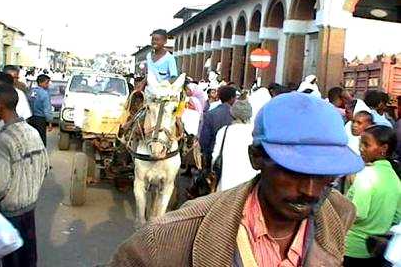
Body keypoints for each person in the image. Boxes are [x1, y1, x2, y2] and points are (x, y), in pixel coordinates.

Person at [109, 92, 364, 266]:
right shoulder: (170, 236)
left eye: (323, 175)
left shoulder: (337, 215)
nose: (310, 191)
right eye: (293, 171)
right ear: (256, 158)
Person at [0, 83, 49, 267]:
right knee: (28, 257)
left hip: (11, 212)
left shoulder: (4, 140)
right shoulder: (32, 132)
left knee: (13, 260)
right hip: (29, 206)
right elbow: (44, 167)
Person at [344, 125, 401, 266]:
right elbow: (397, 216)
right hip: (377, 251)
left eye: (366, 144)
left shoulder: (366, 175)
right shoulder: (395, 178)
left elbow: (358, 213)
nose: (361, 148)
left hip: (352, 249)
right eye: (360, 144)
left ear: (384, 149)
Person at [212, 100, 257, 191]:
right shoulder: (255, 132)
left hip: (226, 184)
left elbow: (215, 157)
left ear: (232, 114)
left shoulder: (224, 131)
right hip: (249, 185)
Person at [199, 85, 237, 169]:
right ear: (232, 98)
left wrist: (204, 153)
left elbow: (204, 139)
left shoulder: (210, 114)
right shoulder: (236, 115)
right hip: (231, 155)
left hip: (212, 154)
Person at [28, 74, 53, 146]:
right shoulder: (45, 94)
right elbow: (47, 110)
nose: (48, 85)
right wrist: (50, 122)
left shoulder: (31, 92)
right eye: (47, 83)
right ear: (41, 83)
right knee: (41, 139)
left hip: (31, 118)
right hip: (40, 119)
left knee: (32, 138)